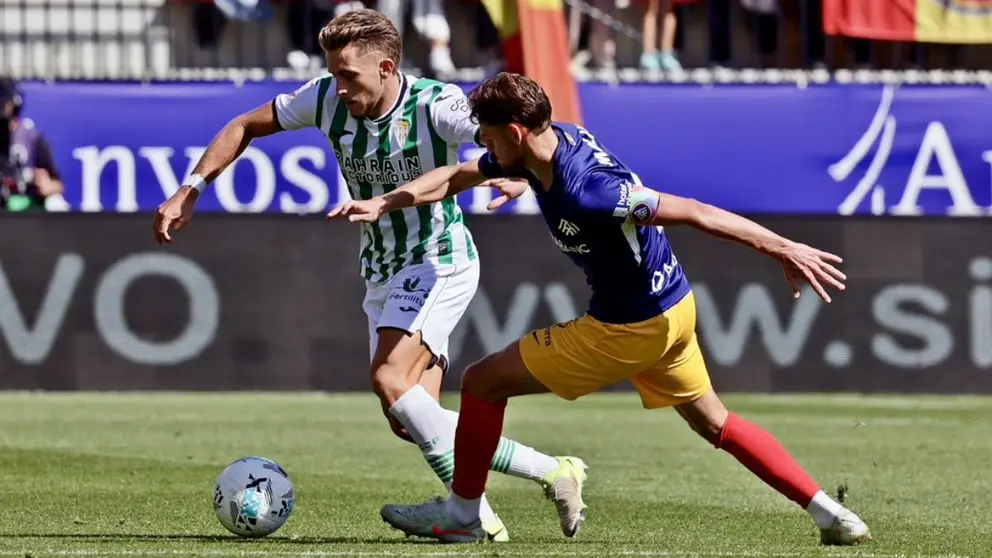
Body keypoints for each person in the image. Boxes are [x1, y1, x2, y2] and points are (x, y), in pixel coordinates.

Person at [327, 72, 873, 546]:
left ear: (516, 132)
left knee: (482, 382)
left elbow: (693, 210)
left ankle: (465, 514)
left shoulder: (590, 191)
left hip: (629, 327)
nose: (482, 144)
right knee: (715, 423)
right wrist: (385, 201)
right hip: (674, 307)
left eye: (489, 135)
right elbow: (457, 176)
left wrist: (782, 246)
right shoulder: (546, 144)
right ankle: (831, 513)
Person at [151, 11, 587, 542]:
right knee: (408, 418)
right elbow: (244, 125)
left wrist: (517, 171)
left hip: (436, 259)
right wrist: (190, 188)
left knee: (389, 380)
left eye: (349, 76)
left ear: (385, 68)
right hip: (381, 270)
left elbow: (506, 136)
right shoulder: (325, 99)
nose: (339, 86)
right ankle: (505, 494)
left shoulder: (437, 104)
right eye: (333, 73)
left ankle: (502, 499)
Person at [0, 77, 64, 212]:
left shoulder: (31, 136)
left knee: (56, 203)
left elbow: (58, 184)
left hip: (28, 200)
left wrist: (46, 186)